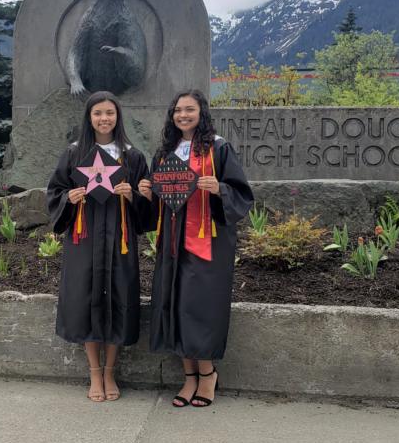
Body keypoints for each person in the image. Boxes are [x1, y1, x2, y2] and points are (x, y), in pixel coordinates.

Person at [138, 89, 253, 408]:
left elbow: (241, 193)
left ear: (201, 112)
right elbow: (158, 200)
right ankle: (188, 378)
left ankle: (207, 375)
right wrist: (147, 192)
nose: (183, 115)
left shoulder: (218, 147)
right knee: (173, 304)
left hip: (207, 243)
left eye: (189, 109)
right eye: (177, 110)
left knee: (197, 307)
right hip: (172, 241)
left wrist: (219, 189)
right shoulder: (165, 153)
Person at [46, 91, 150, 402]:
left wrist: (131, 194)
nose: (104, 118)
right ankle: (94, 371)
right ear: (89, 118)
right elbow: (55, 192)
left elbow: (148, 204)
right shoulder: (75, 154)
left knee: (119, 297)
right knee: (86, 299)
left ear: (118, 116)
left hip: (119, 240)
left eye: (110, 113)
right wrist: (69, 198)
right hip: (85, 238)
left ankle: (110, 372)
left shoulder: (132, 157)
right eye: (97, 113)